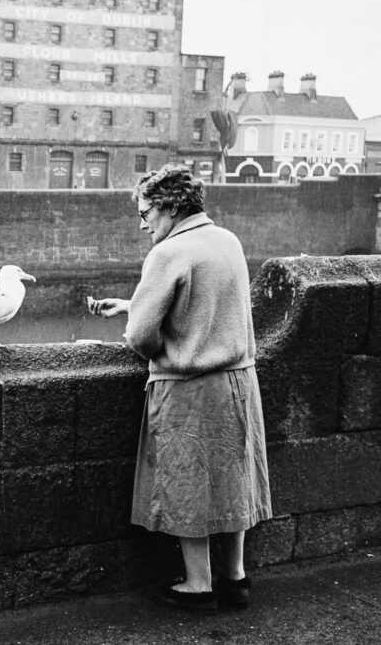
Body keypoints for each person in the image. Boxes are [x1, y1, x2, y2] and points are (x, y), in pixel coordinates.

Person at [87, 163, 272, 612]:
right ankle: (235, 579)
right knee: (232, 481)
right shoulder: (227, 240)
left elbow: (141, 337)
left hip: (189, 389)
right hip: (239, 382)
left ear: (169, 206)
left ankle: (197, 584)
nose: (142, 221)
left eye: (145, 210)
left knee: (189, 482)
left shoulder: (168, 252)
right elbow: (209, 304)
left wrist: (138, 320)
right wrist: (133, 303)